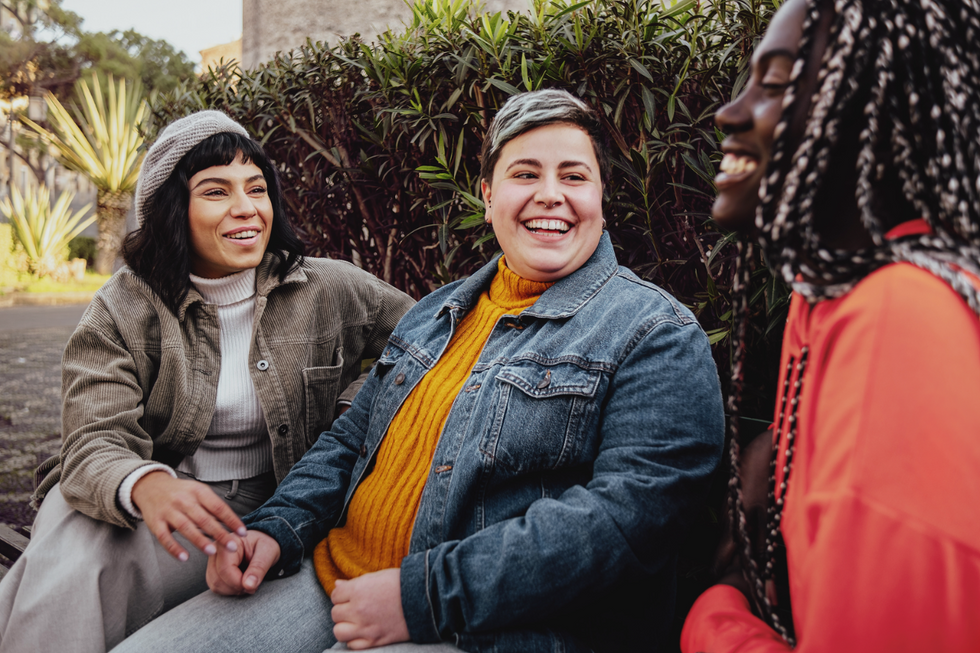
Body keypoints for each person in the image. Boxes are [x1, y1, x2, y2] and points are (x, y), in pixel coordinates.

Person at [115, 89, 725, 653]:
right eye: (524, 174)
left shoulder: (653, 333)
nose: (550, 194)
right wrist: (274, 530)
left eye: (574, 176)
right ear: (488, 198)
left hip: (486, 624)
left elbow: (627, 523)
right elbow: (353, 441)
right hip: (334, 576)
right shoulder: (440, 311)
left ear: (599, 198)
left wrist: (424, 594)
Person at [0, 110, 414, 653]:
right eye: (216, 191)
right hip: (155, 499)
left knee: (56, 566)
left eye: (257, 189)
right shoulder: (121, 308)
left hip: (266, 515)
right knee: (78, 536)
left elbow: (430, 347)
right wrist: (147, 485)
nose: (246, 209)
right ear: (174, 211)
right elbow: (93, 439)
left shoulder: (329, 288)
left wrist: (353, 410)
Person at [681, 0, 980, 649]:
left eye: (779, 80)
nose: (729, 113)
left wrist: (716, 618)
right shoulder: (829, 303)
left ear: (889, 104)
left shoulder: (902, 319)